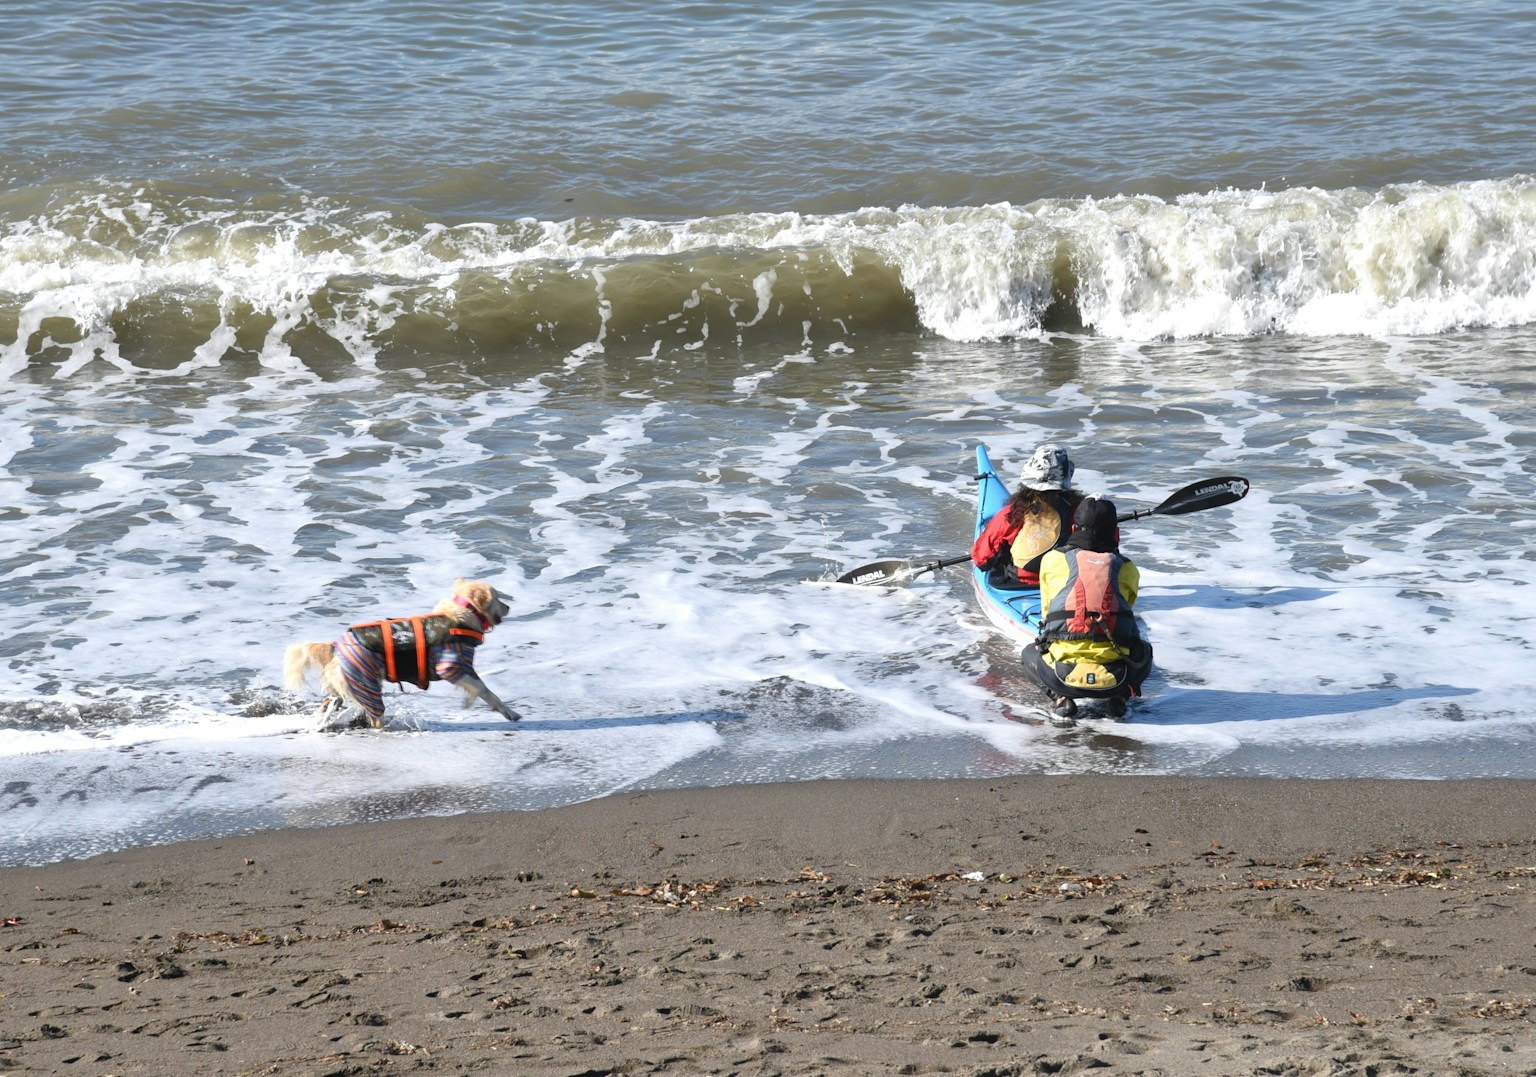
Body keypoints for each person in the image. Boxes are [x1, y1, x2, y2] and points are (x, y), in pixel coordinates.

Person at [1020, 496, 1153, 724]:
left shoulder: (1051, 559)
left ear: (1073, 529)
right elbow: (1125, 608)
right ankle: (1120, 698)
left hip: (1061, 676)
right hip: (1115, 678)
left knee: (1027, 654)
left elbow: (1047, 611)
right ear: (1116, 534)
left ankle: (1061, 698)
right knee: (1146, 651)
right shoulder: (1127, 567)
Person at [971, 444, 1084, 589]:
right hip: (1066, 579)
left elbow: (981, 559)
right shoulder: (1081, 511)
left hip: (1022, 581)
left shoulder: (1014, 513)